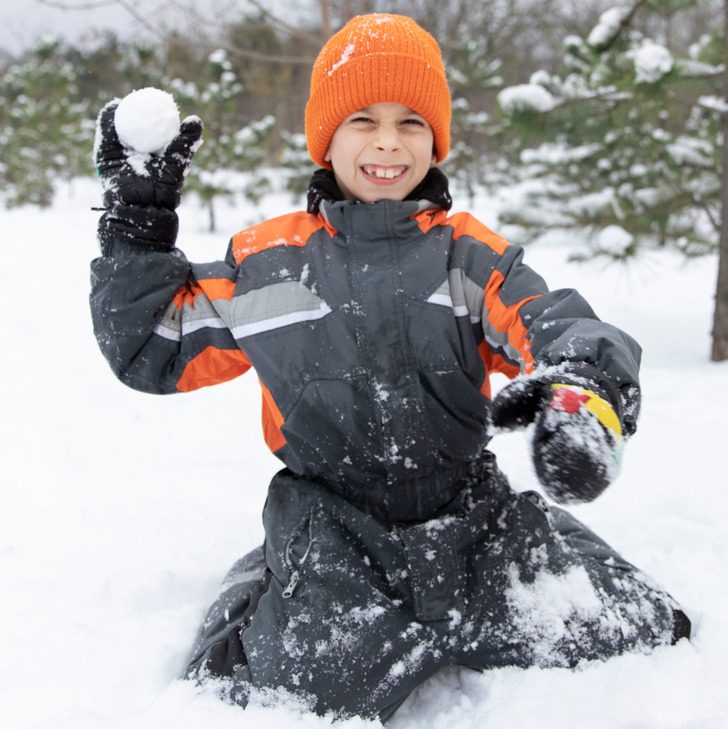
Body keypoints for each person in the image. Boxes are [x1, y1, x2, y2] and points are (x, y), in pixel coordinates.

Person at [90, 13, 690, 723]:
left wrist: (583, 389)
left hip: (469, 519)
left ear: (434, 139)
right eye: (362, 119)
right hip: (334, 525)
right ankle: (271, 578)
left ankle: (536, 558)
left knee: (639, 626)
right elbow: (153, 345)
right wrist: (137, 223)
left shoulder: (466, 257)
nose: (386, 141)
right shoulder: (269, 265)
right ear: (325, 135)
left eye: (411, 122)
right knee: (275, 687)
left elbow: (553, 321)